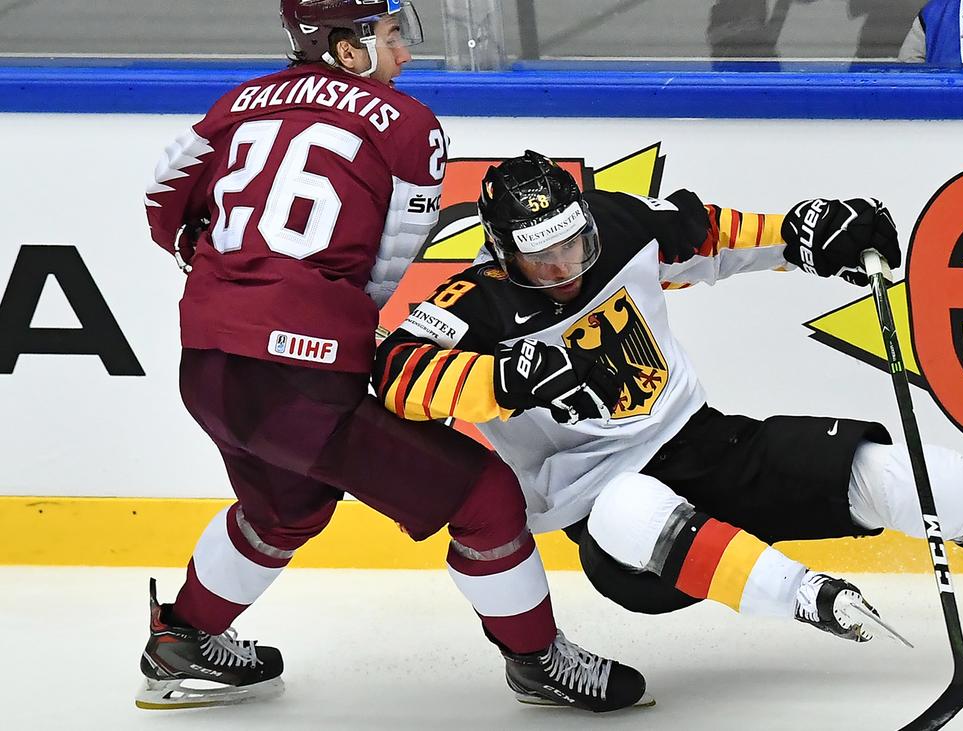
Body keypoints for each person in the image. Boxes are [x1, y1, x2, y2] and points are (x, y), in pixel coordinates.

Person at [374, 150, 963, 659]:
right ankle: (812, 596)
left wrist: (812, 233)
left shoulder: (620, 225)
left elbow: (716, 236)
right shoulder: (468, 306)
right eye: (544, 258)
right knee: (628, 506)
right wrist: (506, 377)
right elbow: (398, 373)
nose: (567, 264)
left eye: (575, 242)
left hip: (709, 446)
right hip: (617, 532)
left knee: (903, 475)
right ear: (499, 255)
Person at [138, 3, 647, 714]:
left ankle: (182, 637)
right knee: (485, 498)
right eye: (390, 36)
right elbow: (386, 267)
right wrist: (328, 324)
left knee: (286, 507)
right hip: (297, 378)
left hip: (209, 361)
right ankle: (538, 659)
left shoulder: (236, 102)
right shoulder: (408, 125)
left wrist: (230, 275)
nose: (404, 52)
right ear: (347, 51)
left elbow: (163, 201)